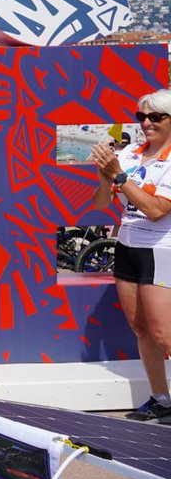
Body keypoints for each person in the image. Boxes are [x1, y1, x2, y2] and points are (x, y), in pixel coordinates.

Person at [89, 90, 171, 424]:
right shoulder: (130, 154)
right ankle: (161, 399)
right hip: (126, 244)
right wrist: (104, 177)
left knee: (164, 334)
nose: (146, 123)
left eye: (155, 117)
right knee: (141, 329)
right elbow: (100, 204)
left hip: (160, 249)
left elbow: (156, 210)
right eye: (141, 117)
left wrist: (119, 176)